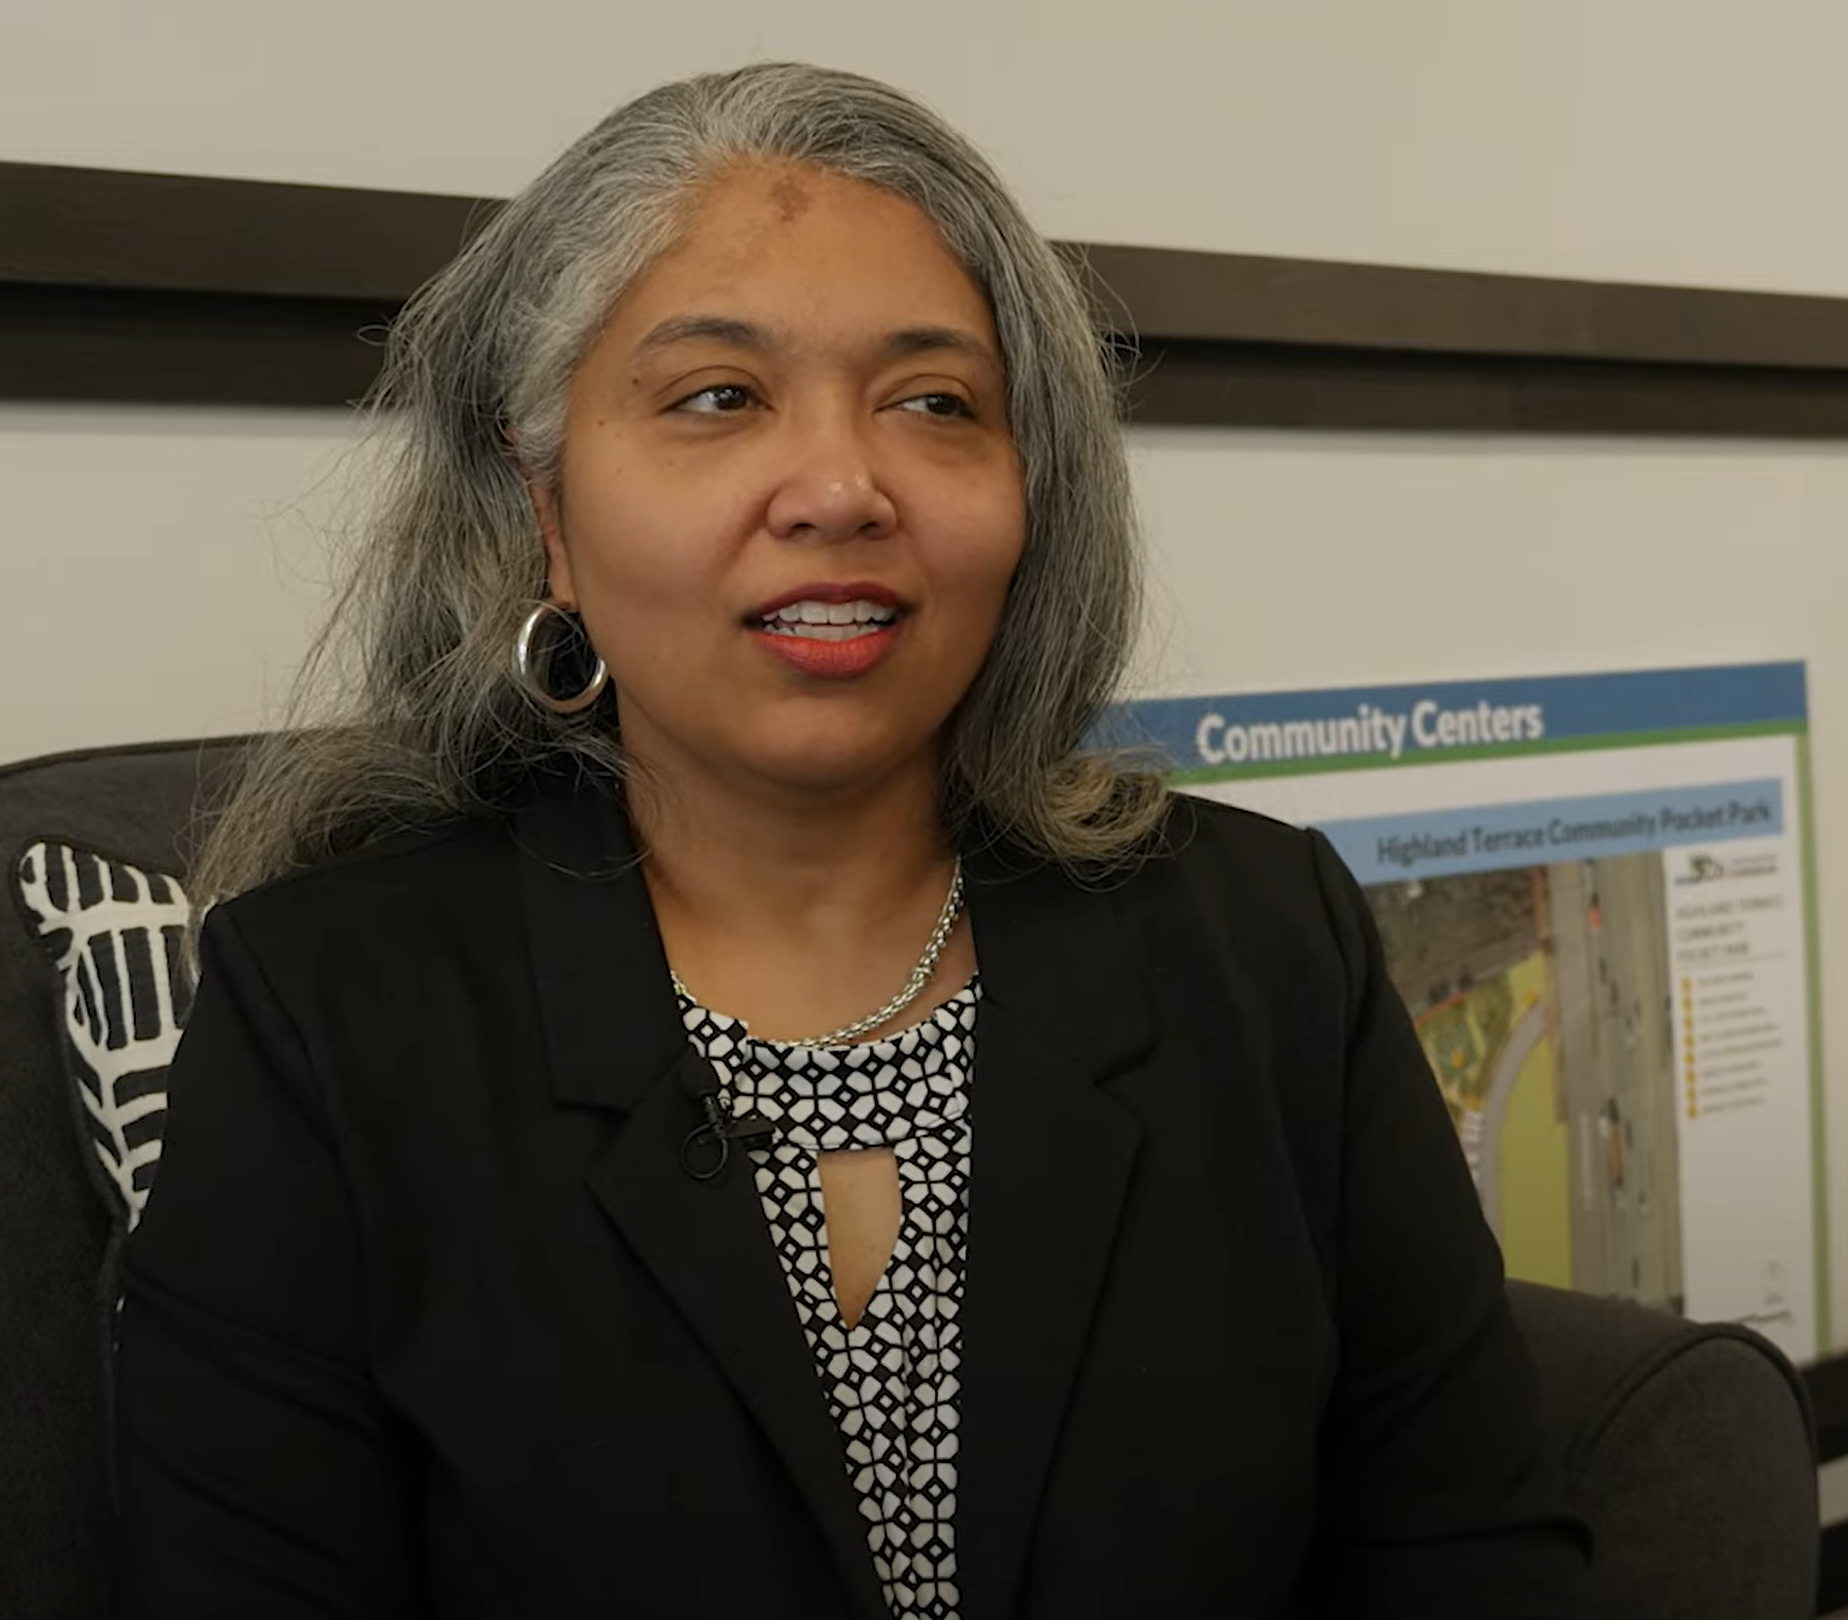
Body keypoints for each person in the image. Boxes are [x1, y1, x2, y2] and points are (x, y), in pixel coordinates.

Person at [113, 62, 1591, 1619]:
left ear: (1028, 491)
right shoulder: (327, 1011)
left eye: (933, 404)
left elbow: (1469, 1554)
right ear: (546, 506)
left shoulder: (1268, 940)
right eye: (717, 397)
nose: (839, 488)